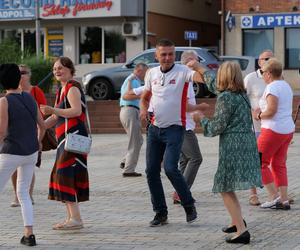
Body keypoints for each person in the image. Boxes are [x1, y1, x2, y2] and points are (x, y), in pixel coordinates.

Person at [192, 61, 262, 244]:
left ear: (223, 76)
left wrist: (201, 118)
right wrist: (200, 68)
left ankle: (241, 230)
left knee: (224, 185)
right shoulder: (241, 94)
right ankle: (236, 221)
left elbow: (217, 126)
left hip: (233, 145)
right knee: (228, 185)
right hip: (246, 142)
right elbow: (215, 85)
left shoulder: (226, 98)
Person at [140, 39, 205, 227]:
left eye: (170, 54)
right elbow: (145, 98)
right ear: (156, 55)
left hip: (175, 128)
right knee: (151, 171)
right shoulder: (151, 73)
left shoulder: (183, 72)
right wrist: (144, 109)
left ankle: (188, 203)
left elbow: (202, 79)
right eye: (163, 54)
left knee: (170, 168)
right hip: (154, 129)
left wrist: (197, 66)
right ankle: (160, 213)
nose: (167, 58)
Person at [40, 57, 89, 230]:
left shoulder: (72, 87)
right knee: (64, 175)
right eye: (54, 69)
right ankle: (71, 218)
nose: (57, 71)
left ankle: (76, 219)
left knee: (64, 174)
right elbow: (54, 118)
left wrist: (52, 110)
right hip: (66, 140)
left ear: (70, 69)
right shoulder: (62, 89)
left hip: (74, 138)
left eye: (60, 68)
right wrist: (40, 125)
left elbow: (75, 111)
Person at [0, 63, 45, 246]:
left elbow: (2, 132)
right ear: (19, 79)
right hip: (31, 152)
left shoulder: (3, 101)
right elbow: (42, 126)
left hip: (11, 153)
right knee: (23, 193)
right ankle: (29, 234)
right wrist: (37, 142)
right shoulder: (29, 98)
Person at [254, 58, 294, 210]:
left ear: (269, 74)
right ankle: (283, 199)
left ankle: (273, 196)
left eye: (263, 72)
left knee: (257, 161)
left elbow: (271, 111)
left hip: (273, 129)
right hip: (287, 130)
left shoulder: (272, 88)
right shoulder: (286, 85)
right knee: (278, 164)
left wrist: (258, 115)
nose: (262, 75)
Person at [10, 64, 47, 207]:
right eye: (18, 73)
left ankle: (28, 195)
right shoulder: (11, 92)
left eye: (23, 72)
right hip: (14, 134)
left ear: (29, 75)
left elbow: (44, 114)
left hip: (32, 132)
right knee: (14, 167)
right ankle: (16, 195)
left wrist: (40, 138)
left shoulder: (36, 91)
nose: (20, 75)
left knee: (28, 167)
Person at [172, 50, 204, 204]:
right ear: (190, 61)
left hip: (183, 124)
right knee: (196, 158)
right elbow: (182, 103)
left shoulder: (186, 77)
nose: (199, 66)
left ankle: (179, 193)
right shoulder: (183, 76)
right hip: (182, 125)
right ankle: (182, 193)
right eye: (197, 62)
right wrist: (198, 110)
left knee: (185, 160)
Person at [244, 49, 274, 206]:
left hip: (272, 127)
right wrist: (252, 112)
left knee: (274, 161)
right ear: (259, 61)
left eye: (272, 58)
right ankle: (253, 194)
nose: (269, 60)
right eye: (266, 58)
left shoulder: (276, 77)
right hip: (254, 127)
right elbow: (242, 99)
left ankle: (276, 194)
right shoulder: (250, 78)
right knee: (255, 160)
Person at [119, 63, 148, 177]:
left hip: (130, 111)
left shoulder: (133, 80)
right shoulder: (132, 79)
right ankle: (128, 170)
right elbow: (126, 96)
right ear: (139, 71)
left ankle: (126, 161)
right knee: (135, 141)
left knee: (138, 140)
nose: (145, 75)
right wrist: (142, 96)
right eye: (145, 72)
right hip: (129, 111)